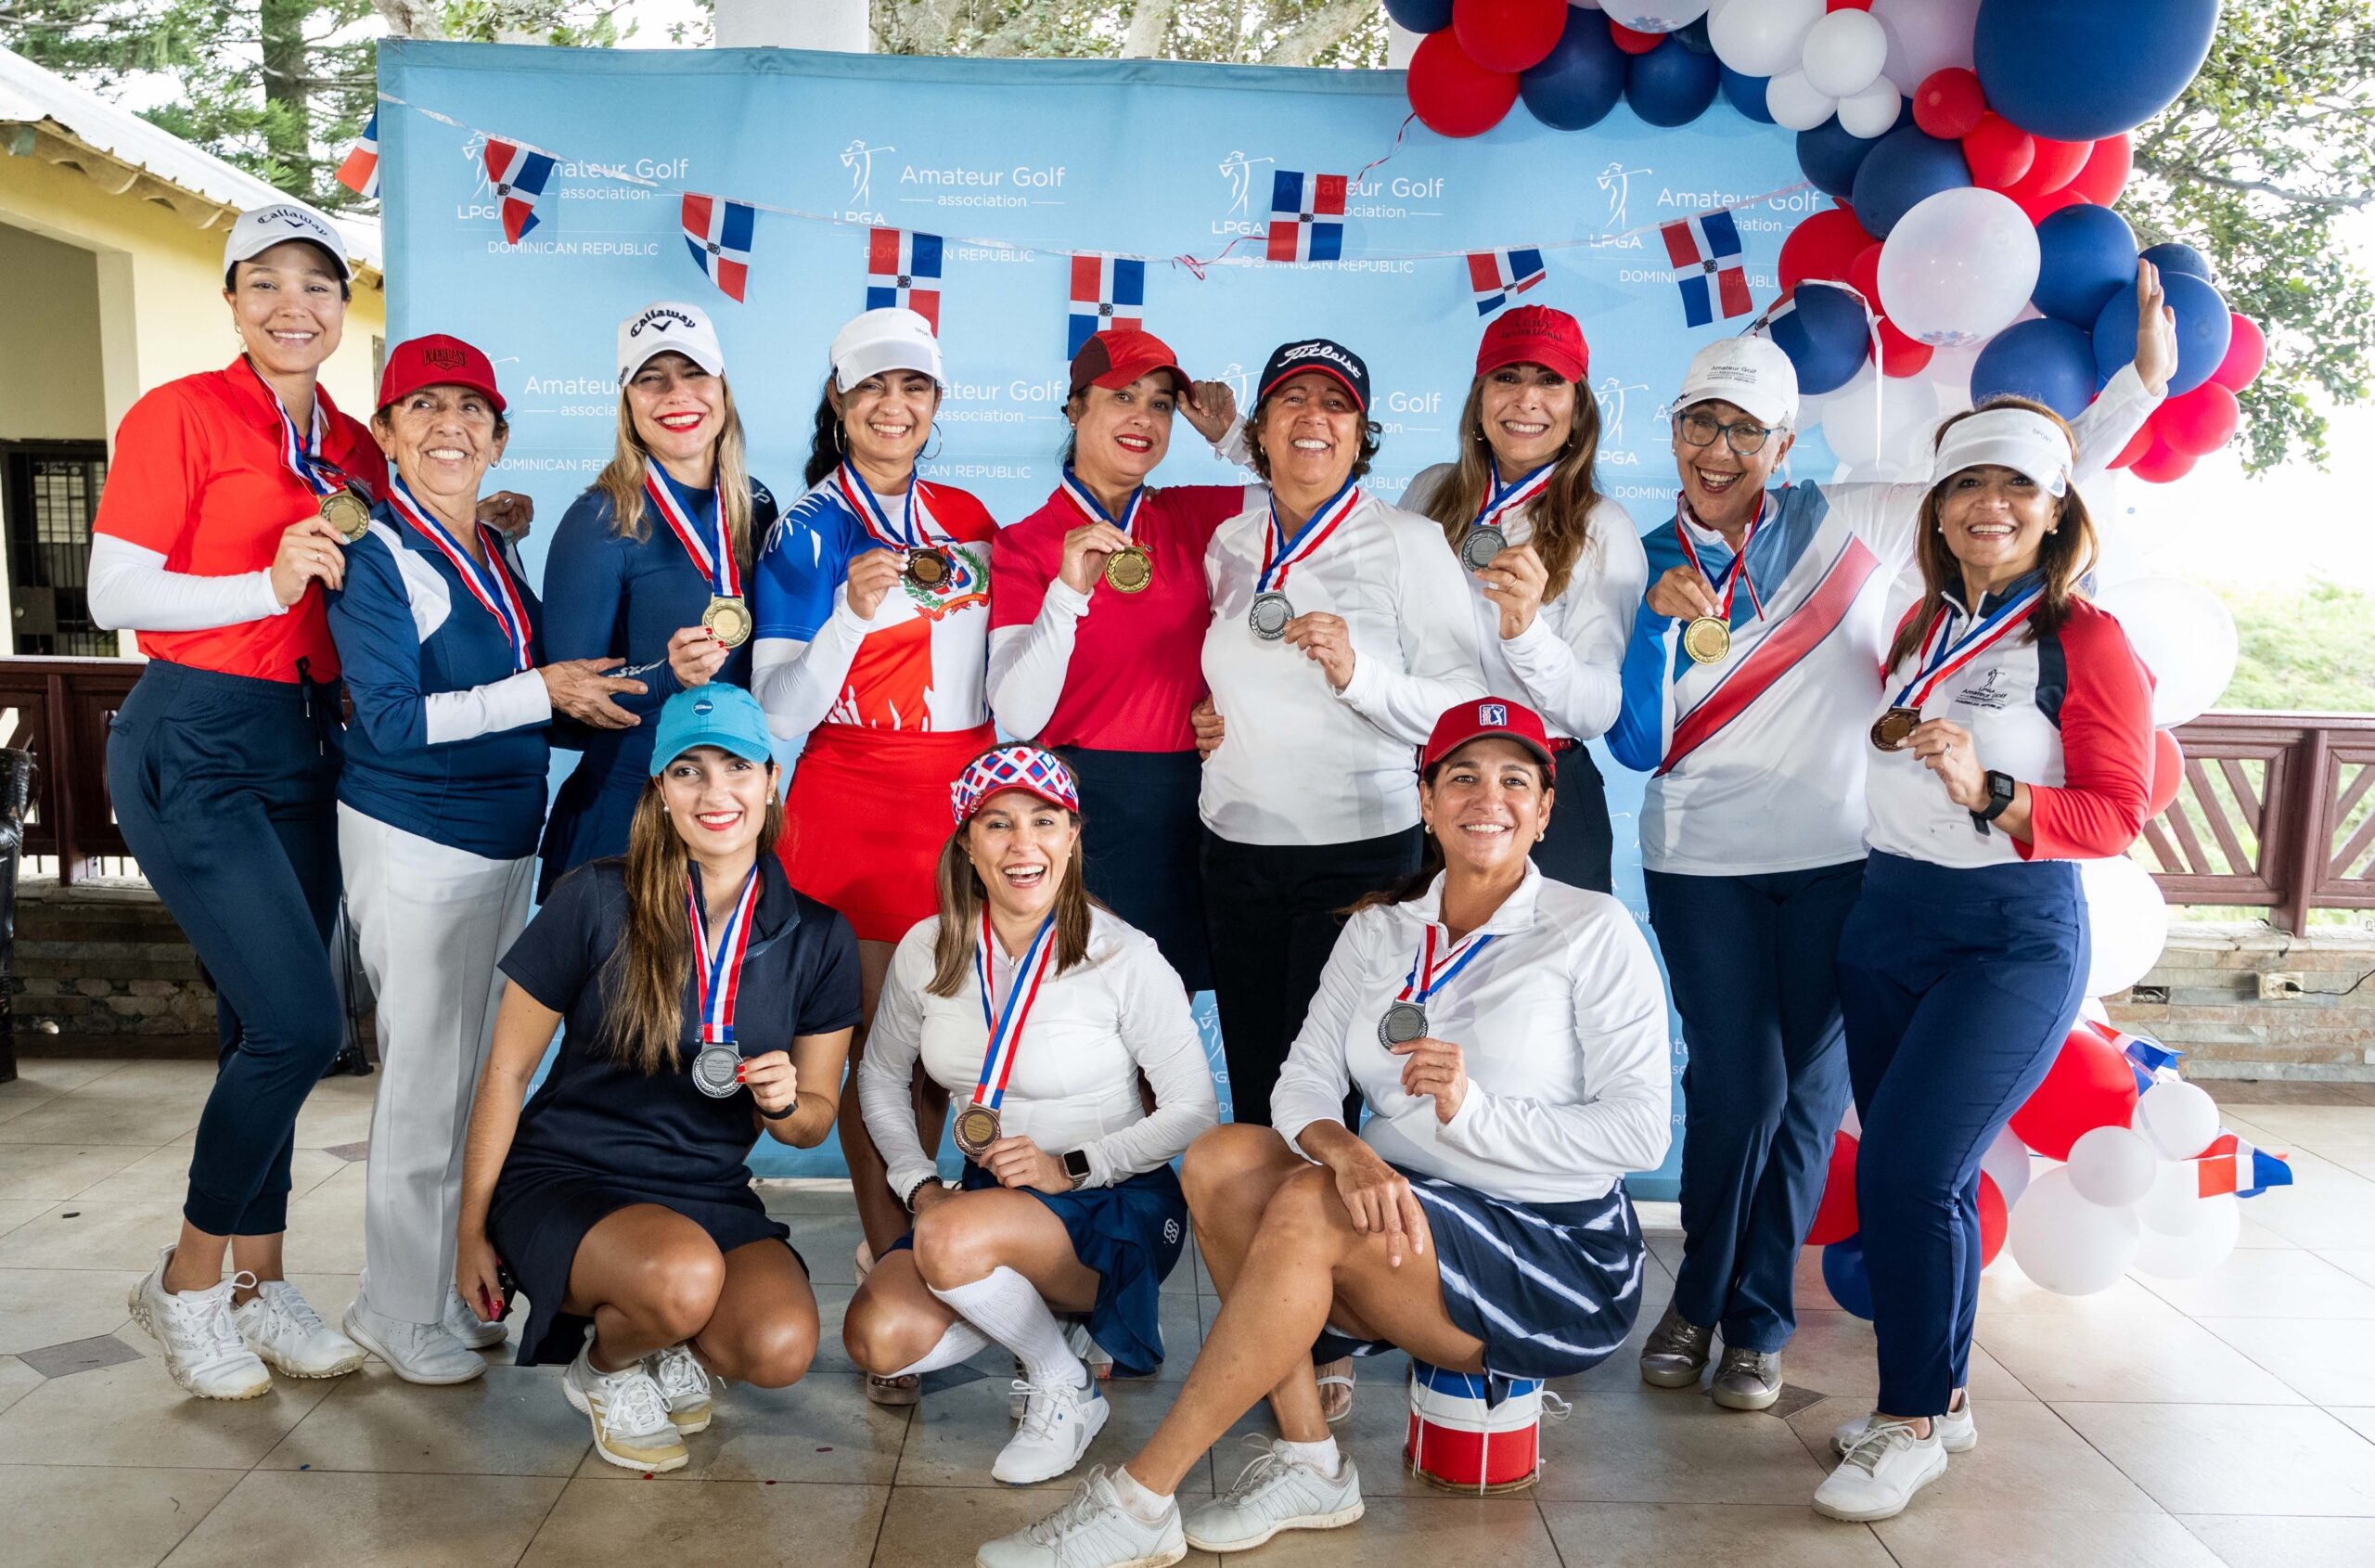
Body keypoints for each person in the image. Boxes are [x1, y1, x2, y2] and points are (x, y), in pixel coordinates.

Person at [1605, 264, 2175, 1412]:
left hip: (1837, 862)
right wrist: (1655, 634)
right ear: (1671, 431)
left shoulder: (1847, 520)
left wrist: (2139, 389)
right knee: (1735, 1092)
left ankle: (1757, 1321)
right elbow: (1630, 737)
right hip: (1699, 861)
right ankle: (1694, 1298)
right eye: (1701, 424)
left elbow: (2015, 486)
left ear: (1782, 444)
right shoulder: (1638, 554)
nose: (1720, 450)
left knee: (1807, 1101)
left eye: (1747, 430)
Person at [978, 698, 1670, 1566]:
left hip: (1554, 1250)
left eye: (1513, 781)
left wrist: (1474, 1111)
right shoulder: (1380, 928)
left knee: (1308, 1205)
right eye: (1461, 777)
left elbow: (1640, 1134)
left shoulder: (1591, 928)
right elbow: (1301, 1081)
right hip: (1408, 1210)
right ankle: (1310, 1463)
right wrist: (1348, 1152)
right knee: (1221, 1157)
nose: (1486, 798)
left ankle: (1139, 1500)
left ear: (1544, 810)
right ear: (1426, 802)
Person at [94, 204, 525, 1401]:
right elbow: (114, 587)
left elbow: (400, 546)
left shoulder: (349, 441)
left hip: (306, 744)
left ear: (342, 309)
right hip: (196, 732)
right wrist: (263, 579)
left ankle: (260, 1282)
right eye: (268, 283)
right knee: (298, 1023)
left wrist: (483, 523)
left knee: (254, 1027)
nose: (295, 306)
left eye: (320, 286)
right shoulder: (181, 412)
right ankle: (185, 1280)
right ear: (233, 299)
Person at [1816, 401, 2152, 1522]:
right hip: (1888, 920)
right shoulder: (1920, 624)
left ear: (2055, 511)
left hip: (2010, 934)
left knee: (1906, 1172)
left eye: (2015, 487)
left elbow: (2116, 812)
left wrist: (1995, 791)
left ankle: (1907, 1422)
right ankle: (1943, 1397)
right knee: (1935, 1179)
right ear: (1937, 507)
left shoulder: (2087, 639)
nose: (1989, 505)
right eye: (1967, 484)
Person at [325, 334, 643, 1383]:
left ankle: (441, 1289)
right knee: (426, 1077)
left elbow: (538, 700)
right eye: (422, 408)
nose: (448, 427)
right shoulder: (379, 554)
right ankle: (391, 1305)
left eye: (470, 410)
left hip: (505, 837)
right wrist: (542, 689)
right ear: (385, 434)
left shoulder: (493, 549)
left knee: (473, 1081)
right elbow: (391, 720)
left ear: (499, 439)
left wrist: (647, 680)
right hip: (417, 837)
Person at [454, 685, 855, 1473]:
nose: (715, 793)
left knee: (778, 1348)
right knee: (682, 1276)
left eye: (736, 768)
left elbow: (814, 1120)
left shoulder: (818, 935)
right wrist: (470, 1228)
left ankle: (662, 1334)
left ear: (771, 780)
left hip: (703, 1187)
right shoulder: (595, 897)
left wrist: (782, 1104)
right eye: (688, 771)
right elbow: (506, 1072)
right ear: (660, 790)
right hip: (569, 1176)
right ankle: (606, 1367)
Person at [841, 744, 1218, 1472]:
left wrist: (1071, 1166)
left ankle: (1059, 1382)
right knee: (879, 1339)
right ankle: (1037, 1323)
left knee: (949, 1242)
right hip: (985, 1205)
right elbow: (881, 1079)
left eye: (1045, 821)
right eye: (999, 824)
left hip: (1115, 1204)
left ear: (1072, 837)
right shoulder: (927, 947)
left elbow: (1194, 1110)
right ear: (967, 843)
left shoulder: (1125, 955)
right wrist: (919, 1185)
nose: (1024, 845)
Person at [751, 305, 1001, 1285]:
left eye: (914, 386)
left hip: (963, 803)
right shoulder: (804, 533)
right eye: (872, 387)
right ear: (838, 399)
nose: (894, 406)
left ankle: (923, 1230)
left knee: (943, 1042)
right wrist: (850, 618)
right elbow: (779, 707)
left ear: (936, 399)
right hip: (854, 805)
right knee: (873, 1049)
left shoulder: (969, 517)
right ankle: (895, 1253)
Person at [1195, 338, 1485, 1133]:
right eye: (1293, 399)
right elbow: (1231, 668)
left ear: (1361, 436)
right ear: (1260, 430)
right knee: (1255, 1084)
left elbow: (1463, 706)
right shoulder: (1231, 542)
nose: (1313, 417)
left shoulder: (1408, 541)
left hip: (1357, 857)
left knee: (1328, 1089)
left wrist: (1359, 675)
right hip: (1235, 848)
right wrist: (1207, 710)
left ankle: (1330, 1216)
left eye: (1336, 405)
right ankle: (1258, 1217)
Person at [987, 328, 1253, 991]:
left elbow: (1316, 491)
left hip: (1191, 800)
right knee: (1079, 1009)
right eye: (1123, 397)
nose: (1144, 418)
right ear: (1075, 408)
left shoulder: (1193, 515)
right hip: (1079, 803)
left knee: (1171, 1014)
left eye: (1161, 404)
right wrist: (1065, 594)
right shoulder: (1024, 542)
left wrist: (1230, 436)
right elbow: (1018, 714)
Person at [1401, 305, 1645, 893]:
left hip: (1545, 791)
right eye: (1507, 377)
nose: (1526, 400)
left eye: (1550, 381)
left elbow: (1598, 710)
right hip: (1433, 785)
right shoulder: (1429, 493)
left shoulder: (1603, 527)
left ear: (1578, 407)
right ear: (1479, 398)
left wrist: (1526, 631)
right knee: (1427, 952)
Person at [539, 300, 779, 895]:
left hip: (727, 810)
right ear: (628, 403)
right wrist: (668, 676)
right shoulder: (599, 519)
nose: (677, 394)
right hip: (629, 809)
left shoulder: (756, 504)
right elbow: (568, 702)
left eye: (694, 373)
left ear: (722, 389)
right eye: (651, 378)